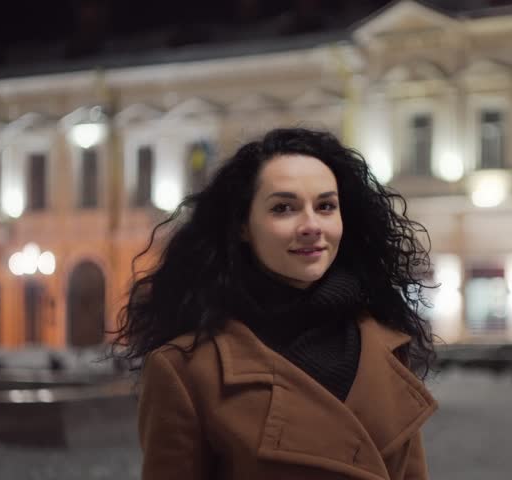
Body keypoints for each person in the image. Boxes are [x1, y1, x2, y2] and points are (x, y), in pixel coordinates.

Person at [113, 127, 438, 479]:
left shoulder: (386, 346)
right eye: (284, 208)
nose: (312, 225)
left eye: (326, 206)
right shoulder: (188, 370)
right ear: (243, 226)